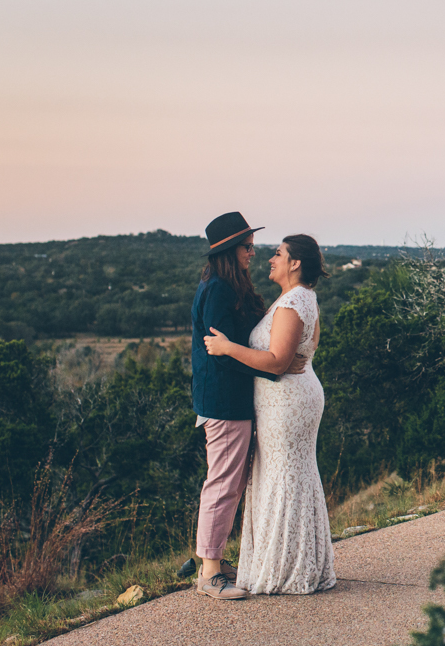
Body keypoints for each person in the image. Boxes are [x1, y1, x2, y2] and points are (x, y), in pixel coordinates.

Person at [204, 233, 336, 594]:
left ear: (295, 263)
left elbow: (278, 362)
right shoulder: (297, 299)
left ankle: (286, 568)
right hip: (289, 397)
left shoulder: (294, 302)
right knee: (289, 472)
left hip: (287, 402)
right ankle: (293, 560)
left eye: (278, 254)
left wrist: (228, 348)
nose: (269, 259)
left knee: (284, 474)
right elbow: (303, 348)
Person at [190, 212, 307, 601]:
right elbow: (219, 352)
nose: (253, 253)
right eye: (247, 247)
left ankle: (216, 560)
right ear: (228, 251)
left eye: (253, 246)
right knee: (223, 482)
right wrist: (274, 368)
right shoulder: (220, 290)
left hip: (234, 400)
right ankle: (208, 572)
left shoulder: (228, 286)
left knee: (232, 481)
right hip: (223, 401)